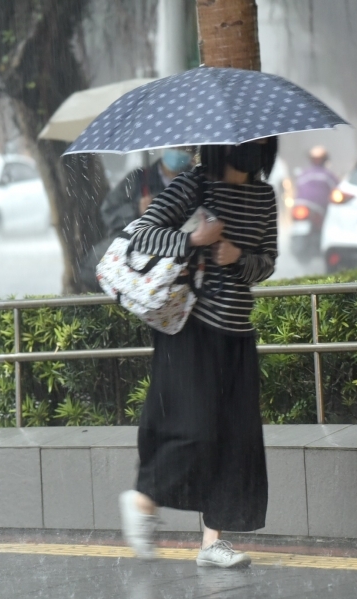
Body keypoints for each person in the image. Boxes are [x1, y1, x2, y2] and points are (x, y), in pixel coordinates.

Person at [118, 139, 278, 569]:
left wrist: (239, 257)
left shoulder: (264, 195)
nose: (253, 149)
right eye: (246, 142)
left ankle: (212, 543)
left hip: (237, 333)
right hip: (189, 330)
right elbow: (142, 234)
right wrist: (195, 239)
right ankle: (143, 500)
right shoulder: (195, 184)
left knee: (233, 439)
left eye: (260, 142)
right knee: (193, 429)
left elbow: (268, 261)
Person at [82, 148, 195, 292]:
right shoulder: (139, 179)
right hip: (140, 261)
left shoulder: (195, 179)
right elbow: (109, 212)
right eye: (177, 148)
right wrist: (137, 209)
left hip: (179, 259)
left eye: (186, 149)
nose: (179, 152)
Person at [294, 145, 338, 218]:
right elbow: (337, 186)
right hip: (312, 207)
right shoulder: (327, 174)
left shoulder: (303, 173)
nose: (317, 160)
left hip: (305, 206)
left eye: (319, 159)